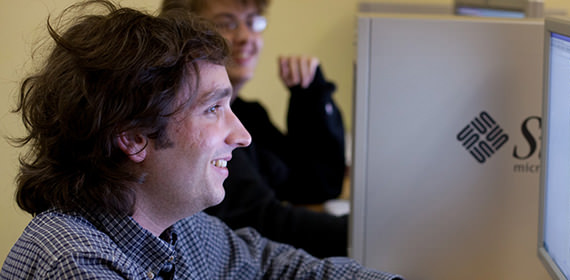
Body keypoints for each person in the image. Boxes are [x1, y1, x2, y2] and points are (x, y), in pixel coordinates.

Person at [0, 1, 400, 279]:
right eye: (213, 109)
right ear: (134, 137)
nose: (241, 136)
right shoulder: (76, 262)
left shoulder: (180, 227)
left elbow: (273, 265)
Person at [161, 0, 349, 258]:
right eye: (226, 23)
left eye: (252, 22)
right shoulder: (190, 127)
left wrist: (310, 96)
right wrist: (368, 230)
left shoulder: (250, 115)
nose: (246, 37)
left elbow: (315, 185)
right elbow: (264, 223)